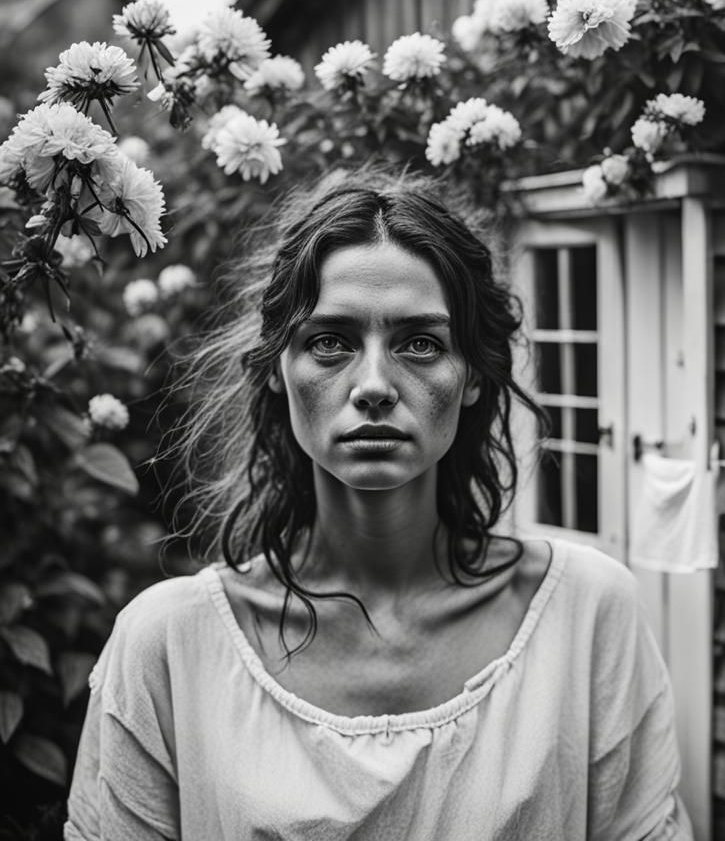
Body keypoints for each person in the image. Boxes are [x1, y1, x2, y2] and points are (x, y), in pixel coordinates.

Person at [64, 168, 692, 840]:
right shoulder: (168, 644)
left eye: (419, 343)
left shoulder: (588, 613)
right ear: (280, 369)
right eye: (329, 342)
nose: (373, 385)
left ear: (474, 375)